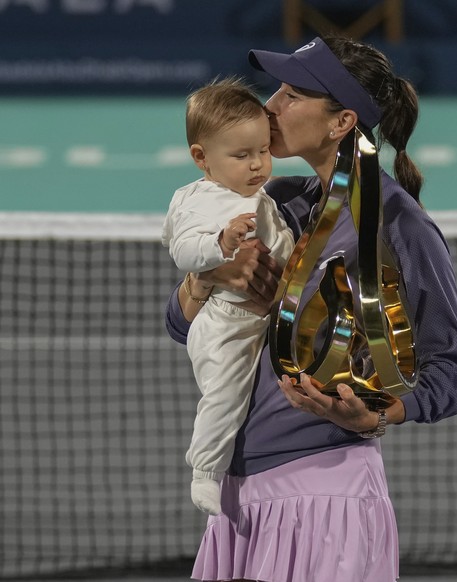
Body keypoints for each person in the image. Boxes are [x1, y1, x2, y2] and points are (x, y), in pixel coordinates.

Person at [165, 36, 457, 582]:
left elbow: (452, 373)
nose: (270, 106)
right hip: (240, 497)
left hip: (325, 492)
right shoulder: (277, 202)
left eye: (291, 94)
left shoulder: (398, 226)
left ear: (341, 122)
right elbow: (178, 324)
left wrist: (375, 415)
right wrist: (205, 279)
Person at [161, 78, 295, 515]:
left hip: (263, 320)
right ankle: (204, 471)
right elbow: (182, 249)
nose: (258, 164)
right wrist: (220, 246)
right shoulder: (206, 202)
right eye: (242, 156)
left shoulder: (255, 194)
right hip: (225, 321)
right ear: (201, 157)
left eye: (263, 151)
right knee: (225, 394)